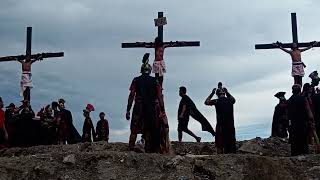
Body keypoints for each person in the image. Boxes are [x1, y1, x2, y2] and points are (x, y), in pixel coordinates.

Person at [126, 53, 165, 153]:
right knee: (149, 128)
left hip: (138, 106)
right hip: (151, 107)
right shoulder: (155, 81)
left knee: (134, 128)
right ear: (150, 71)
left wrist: (128, 109)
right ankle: (147, 150)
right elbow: (160, 96)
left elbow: (131, 95)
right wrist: (162, 109)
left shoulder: (136, 80)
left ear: (141, 70)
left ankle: (130, 149)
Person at [205, 83, 236, 154]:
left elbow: (206, 102)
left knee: (220, 145)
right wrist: (227, 92)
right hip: (230, 127)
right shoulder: (230, 100)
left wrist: (212, 93)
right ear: (224, 93)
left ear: (217, 94)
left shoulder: (216, 101)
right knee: (230, 147)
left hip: (221, 127)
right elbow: (234, 100)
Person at [288, 84, 314, 156]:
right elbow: (308, 110)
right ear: (300, 90)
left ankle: (294, 156)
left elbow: (287, 114)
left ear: (292, 91)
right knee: (303, 140)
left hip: (292, 125)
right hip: (302, 124)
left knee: (294, 142)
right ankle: (304, 155)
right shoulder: (303, 99)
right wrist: (311, 119)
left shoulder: (289, 101)